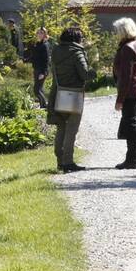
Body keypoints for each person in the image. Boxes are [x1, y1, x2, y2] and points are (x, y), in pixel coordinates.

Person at [47, 27, 93, 173]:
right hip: (73, 94)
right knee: (71, 129)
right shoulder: (77, 52)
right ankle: (68, 162)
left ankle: (60, 161)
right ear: (77, 39)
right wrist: (94, 71)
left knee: (61, 127)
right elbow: (85, 74)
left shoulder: (56, 50)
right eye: (81, 38)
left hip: (58, 93)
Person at [112, 17, 136, 170]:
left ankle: (132, 159)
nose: (115, 34)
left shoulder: (127, 48)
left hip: (130, 90)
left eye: (117, 31)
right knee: (131, 123)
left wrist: (120, 99)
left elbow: (126, 75)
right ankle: (132, 158)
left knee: (130, 123)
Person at [31, 27, 52, 108]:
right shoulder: (38, 44)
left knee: (36, 90)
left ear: (45, 34)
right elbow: (35, 56)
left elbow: (46, 60)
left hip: (41, 70)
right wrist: (25, 59)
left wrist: (43, 72)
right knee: (39, 89)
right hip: (36, 69)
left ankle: (45, 106)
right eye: (38, 32)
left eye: (41, 33)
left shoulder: (45, 45)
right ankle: (43, 105)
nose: (39, 34)